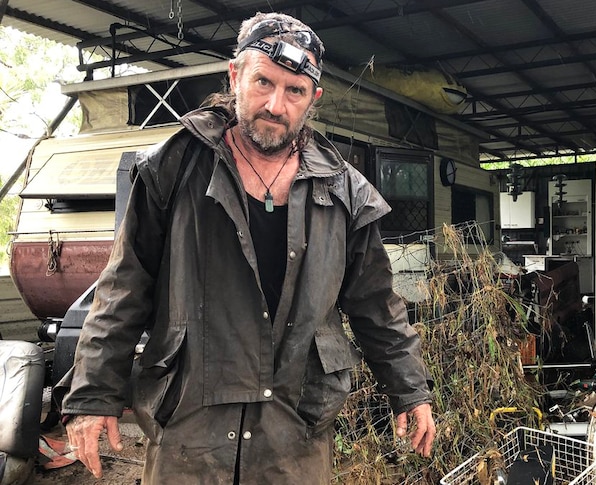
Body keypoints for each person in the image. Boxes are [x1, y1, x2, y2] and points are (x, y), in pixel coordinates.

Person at [58, 11, 435, 484]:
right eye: (263, 82)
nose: (276, 105)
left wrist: (410, 390)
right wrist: (93, 395)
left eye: (294, 91)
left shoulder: (345, 194)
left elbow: (377, 305)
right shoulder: (174, 169)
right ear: (235, 75)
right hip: (189, 434)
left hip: (293, 435)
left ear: (312, 99)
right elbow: (123, 287)